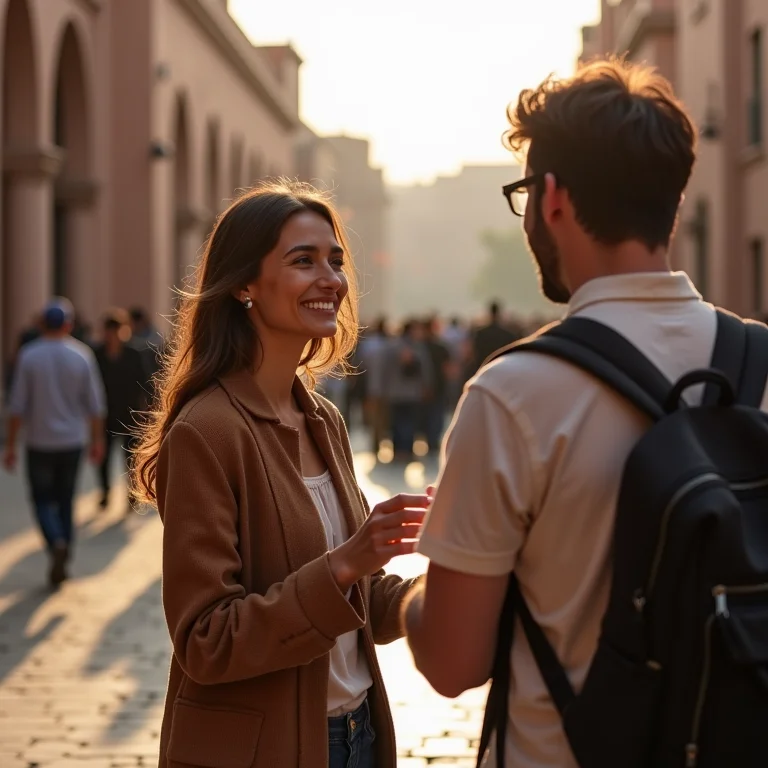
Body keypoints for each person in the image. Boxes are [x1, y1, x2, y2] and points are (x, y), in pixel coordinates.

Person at [402, 59, 767, 767]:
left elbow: (452, 663)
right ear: (672, 199)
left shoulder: (513, 395)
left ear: (552, 197)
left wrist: (413, 594)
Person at [132, 181, 430, 768]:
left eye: (336, 260)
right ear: (244, 284)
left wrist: (444, 586)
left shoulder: (323, 419)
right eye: (303, 261)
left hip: (360, 737)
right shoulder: (207, 430)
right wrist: (347, 560)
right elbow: (206, 641)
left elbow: (354, 597)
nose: (332, 280)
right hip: (266, 748)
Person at [3, 298, 106, 587]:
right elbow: (96, 405)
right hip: (73, 440)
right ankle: (65, 545)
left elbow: (17, 406)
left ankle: (55, 540)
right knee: (65, 498)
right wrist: (97, 440)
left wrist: (11, 446)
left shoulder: (29, 356)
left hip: (39, 441)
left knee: (41, 498)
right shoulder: (82, 355)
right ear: (68, 324)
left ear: (41, 324)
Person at [93, 308, 147, 511]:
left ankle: (132, 494)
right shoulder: (97, 354)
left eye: (116, 330)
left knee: (130, 457)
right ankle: (105, 491)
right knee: (103, 457)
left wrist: (145, 411)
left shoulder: (133, 353)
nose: (112, 335)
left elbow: (144, 382)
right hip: (105, 415)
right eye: (108, 331)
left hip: (129, 413)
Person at [383, 320, 434, 462]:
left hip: (396, 392)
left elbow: (385, 370)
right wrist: (426, 386)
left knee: (398, 422)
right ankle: (405, 451)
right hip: (410, 393)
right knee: (407, 423)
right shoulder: (417, 348)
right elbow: (426, 370)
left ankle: (399, 451)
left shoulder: (392, 346)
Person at [470, 300, 520, 373]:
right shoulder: (507, 334)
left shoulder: (480, 333)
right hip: (501, 368)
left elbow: (474, 353)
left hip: (483, 368)